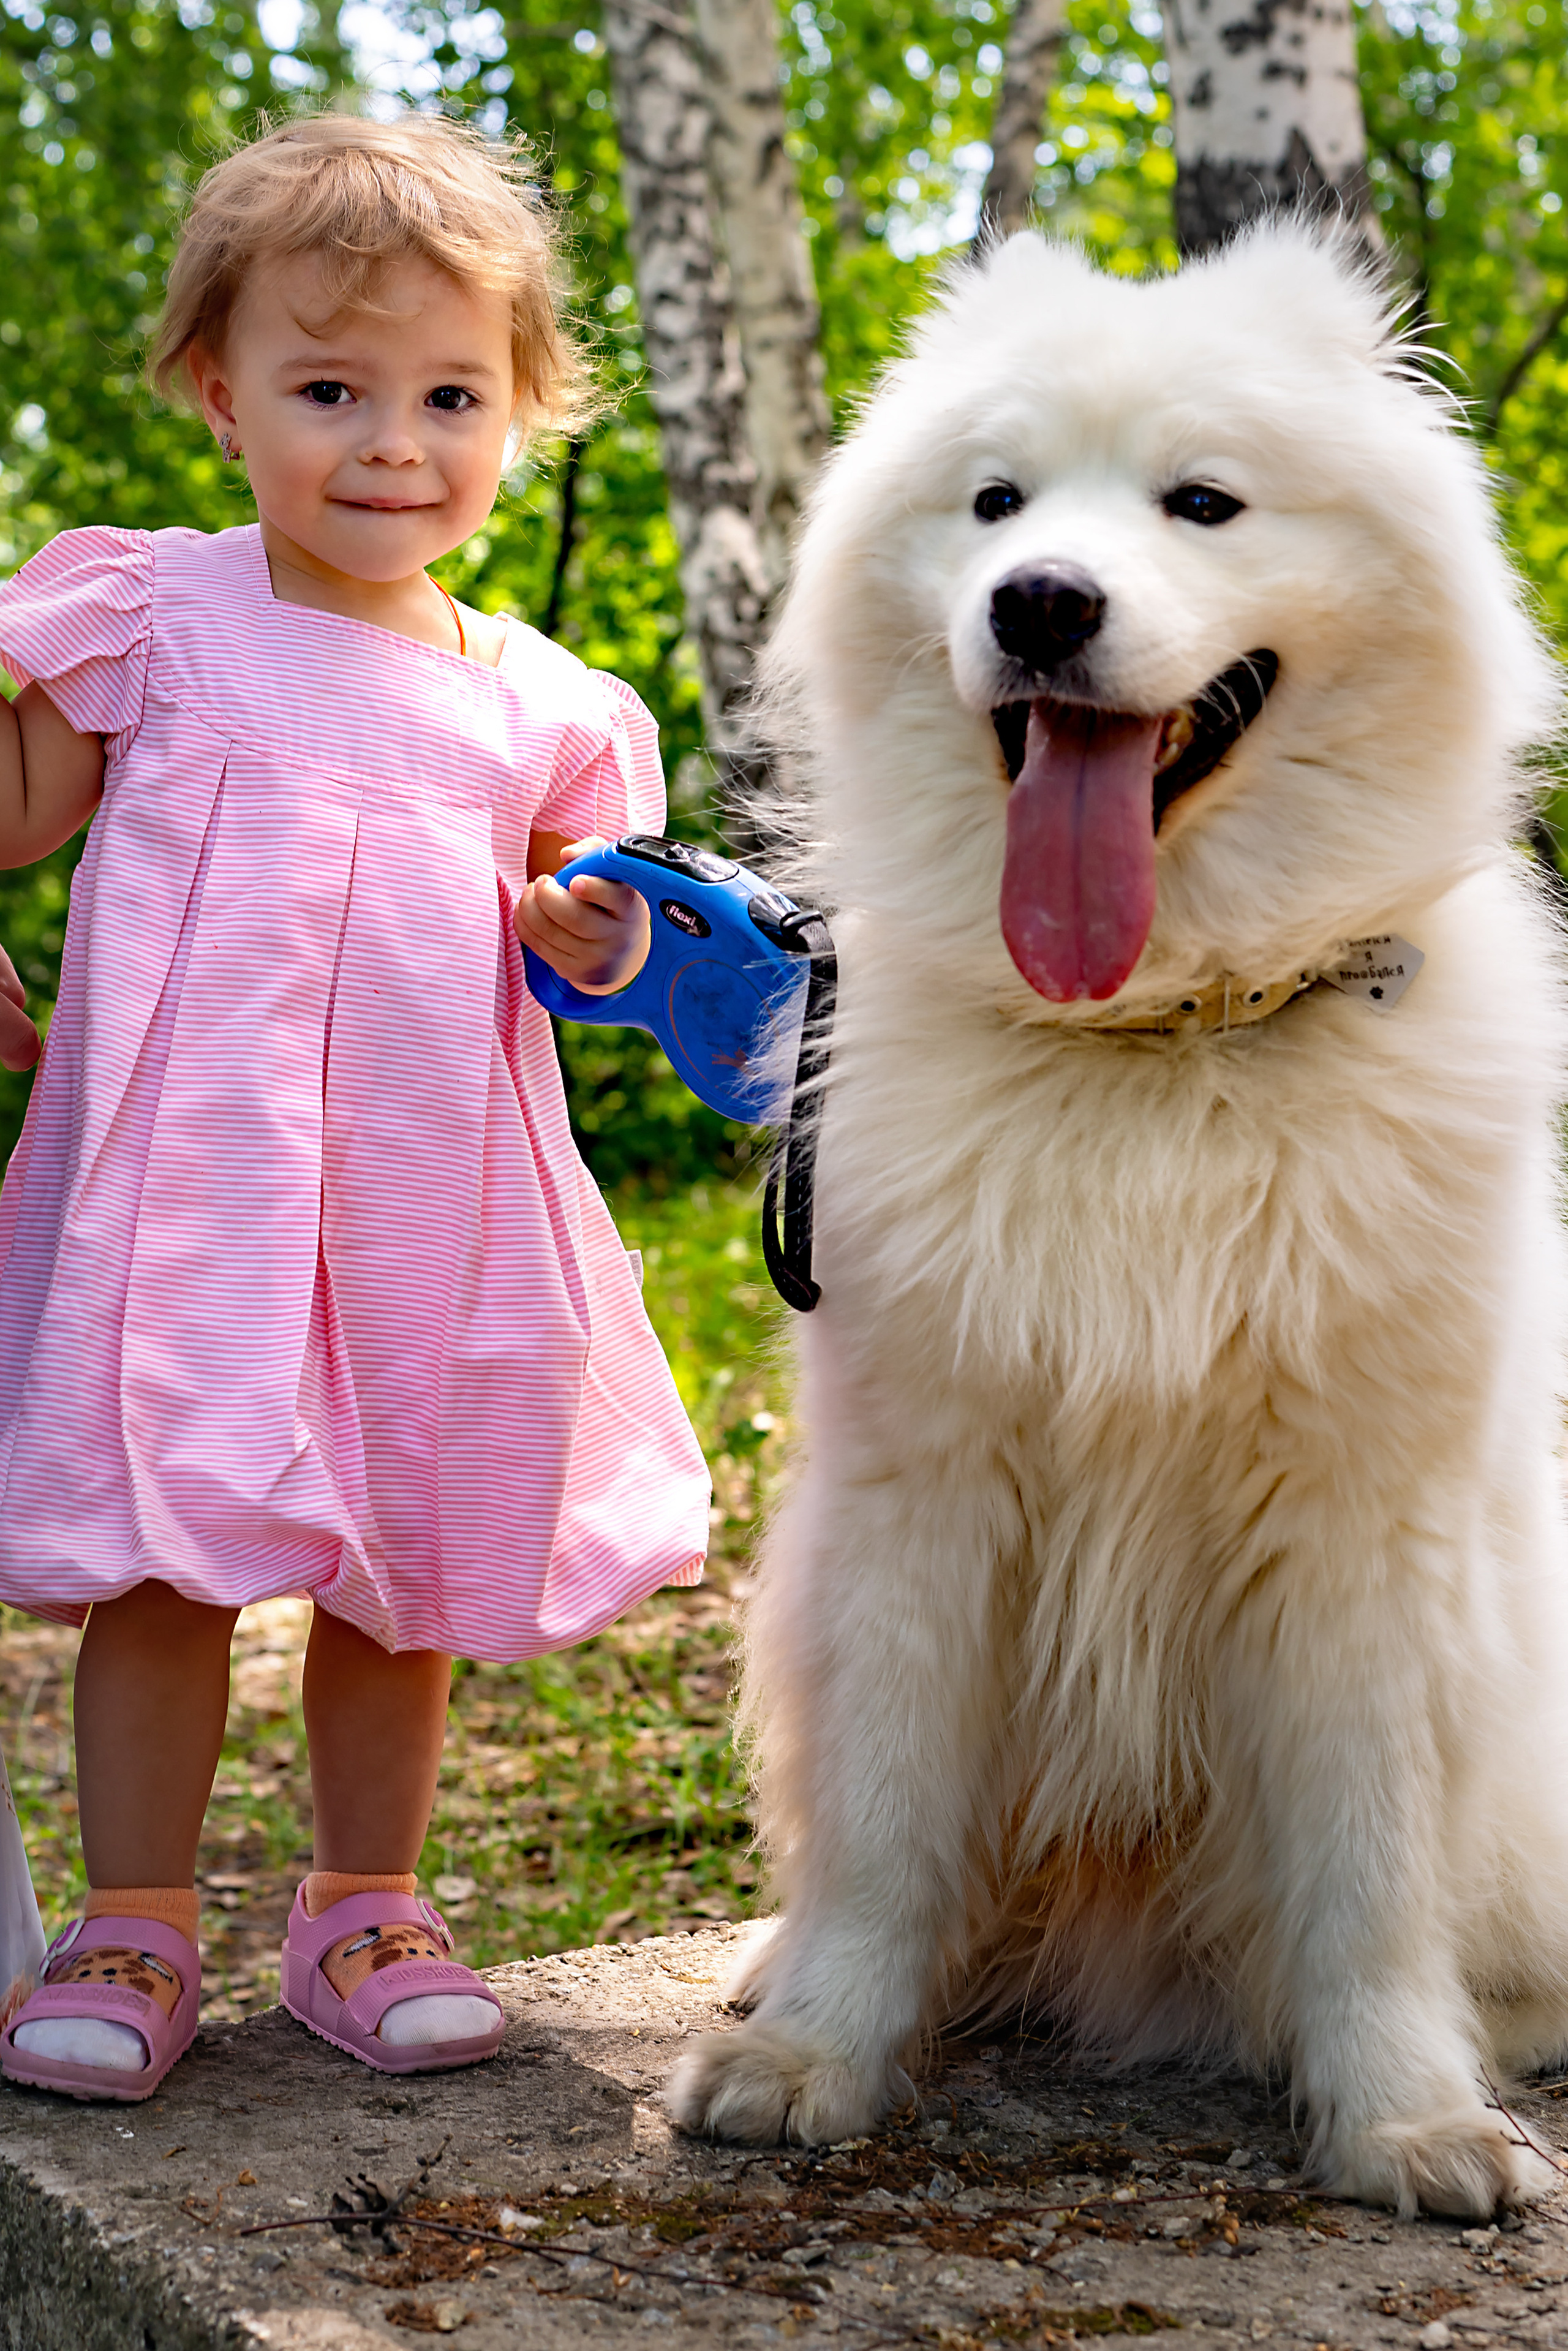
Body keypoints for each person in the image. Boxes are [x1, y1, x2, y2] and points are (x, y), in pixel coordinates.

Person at [0, 112, 710, 2102]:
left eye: (449, 395)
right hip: (197, 1182)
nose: (394, 443)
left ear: (525, 408)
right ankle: (131, 1915)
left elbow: (615, 947)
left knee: (405, 1555)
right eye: (331, 388)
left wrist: (593, 939)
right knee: (164, 1542)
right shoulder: (157, 611)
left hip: (433, 1194)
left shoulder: (552, 707)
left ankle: (363, 1897)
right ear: (222, 395)